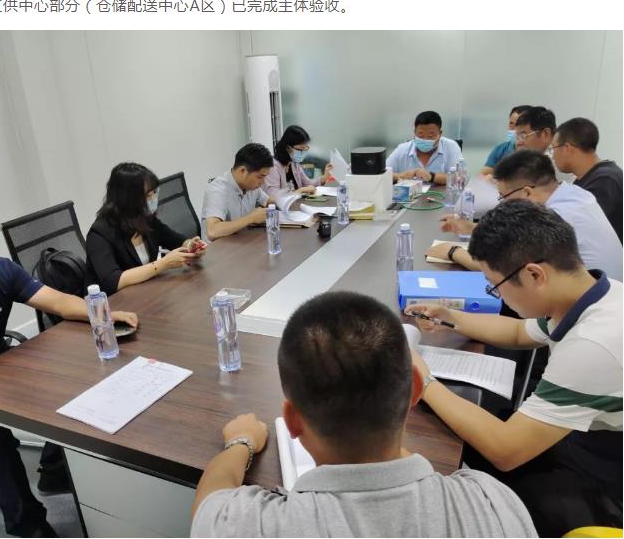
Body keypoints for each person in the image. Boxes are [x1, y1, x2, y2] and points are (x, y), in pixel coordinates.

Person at [190, 291, 537, 538]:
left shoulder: (253, 526)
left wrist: (240, 442)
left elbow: (210, 503)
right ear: (415, 390)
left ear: (292, 421)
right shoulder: (492, 503)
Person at [408, 200, 622, 537]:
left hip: (607, 475)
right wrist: (452, 318)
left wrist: (424, 378)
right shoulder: (593, 294)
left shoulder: (593, 345)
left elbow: (506, 451)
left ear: (535, 274)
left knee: (476, 486)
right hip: (592, 438)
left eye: (495, 285)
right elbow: (519, 332)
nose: (498, 296)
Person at [0, 202, 138, 538]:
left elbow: (58, 302)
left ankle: (54, 468)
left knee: (63, 380)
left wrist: (102, 313)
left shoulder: (2, 270)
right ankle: (28, 525)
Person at [429, 150, 622, 281]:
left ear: (527, 192)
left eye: (504, 197)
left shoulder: (554, 217)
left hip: (587, 312)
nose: (503, 203)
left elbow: (502, 269)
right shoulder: (575, 194)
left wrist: (453, 252)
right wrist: (471, 228)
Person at [86, 163, 205, 296]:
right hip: (115, 302)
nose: (154, 198)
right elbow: (113, 281)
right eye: (148, 195)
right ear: (128, 199)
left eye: (154, 192)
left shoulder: (144, 219)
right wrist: (162, 264)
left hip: (148, 293)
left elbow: (175, 240)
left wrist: (191, 246)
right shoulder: (99, 234)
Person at [552, 117, 622, 242]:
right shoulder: (591, 177)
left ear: (567, 148)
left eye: (554, 149)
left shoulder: (605, 180)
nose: (553, 156)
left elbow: (578, 228)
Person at [201, 143, 275, 241]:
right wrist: (251, 218)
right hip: (219, 248)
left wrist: (284, 201)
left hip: (241, 241)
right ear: (242, 171)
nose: (262, 182)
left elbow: (268, 201)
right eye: (260, 177)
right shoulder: (218, 190)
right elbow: (213, 231)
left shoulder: (251, 186)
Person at [386, 111, 463, 185]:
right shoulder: (403, 149)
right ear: (414, 132)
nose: (425, 139)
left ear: (440, 134)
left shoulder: (451, 147)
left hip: (440, 193)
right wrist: (400, 176)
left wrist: (432, 177)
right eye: (421, 135)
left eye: (430, 136)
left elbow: (460, 178)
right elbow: (382, 174)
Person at [263, 125, 333, 197]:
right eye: (299, 149)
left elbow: (307, 184)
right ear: (288, 147)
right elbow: (273, 197)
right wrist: (300, 191)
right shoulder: (273, 167)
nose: (302, 153)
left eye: (305, 149)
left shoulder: (293, 163)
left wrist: (325, 176)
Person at [479, 105, 532, 176]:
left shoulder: (536, 150)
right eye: (511, 125)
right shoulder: (501, 149)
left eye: (519, 125)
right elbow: (483, 175)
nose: (514, 130)